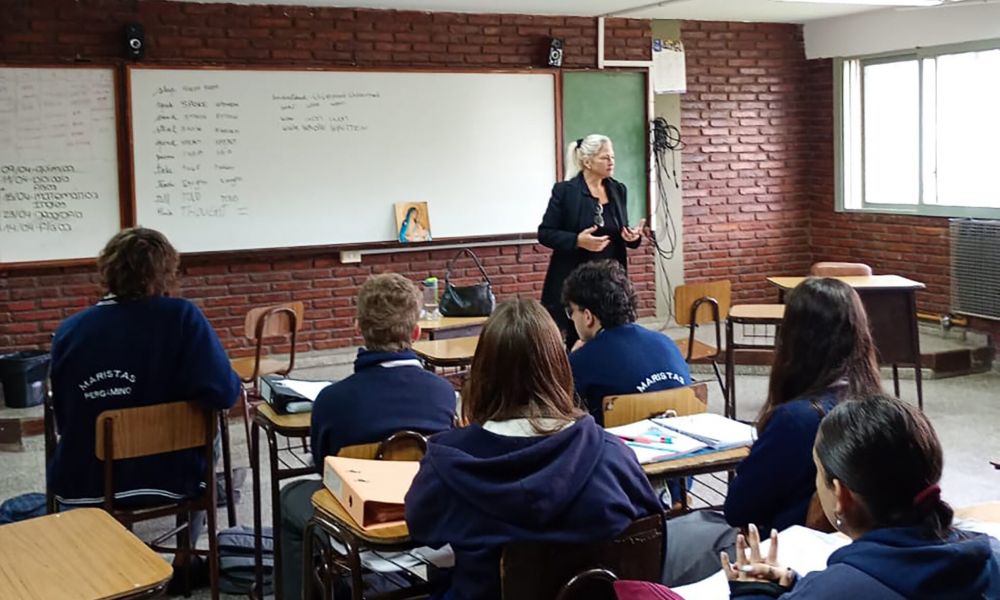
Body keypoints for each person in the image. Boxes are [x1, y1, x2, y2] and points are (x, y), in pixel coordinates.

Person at [405, 298, 662, 600]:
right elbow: (651, 530)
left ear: (483, 374)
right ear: (559, 368)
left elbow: (421, 527)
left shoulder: (448, 462)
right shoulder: (610, 456)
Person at [48, 227, 240, 592]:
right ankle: (185, 560)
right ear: (166, 272)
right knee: (205, 428)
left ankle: (115, 561)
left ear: (107, 271)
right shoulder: (182, 317)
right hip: (171, 478)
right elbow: (223, 393)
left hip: (85, 477)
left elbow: (65, 415)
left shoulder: (70, 330)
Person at [279, 272, 457, 600]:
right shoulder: (443, 393)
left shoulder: (333, 400)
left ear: (358, 327)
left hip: (355, 524)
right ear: (416, 332)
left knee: (290, 496)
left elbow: (325, 469)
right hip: (428, 517)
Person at [723, 393, 1000, 599]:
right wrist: (797, 586)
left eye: (818, 472)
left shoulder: (836, 589)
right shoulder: (988, 557)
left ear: (842, 496)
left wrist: (750, 593)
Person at [723, 277, 882, 536]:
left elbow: (738, 510)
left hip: (782, 554)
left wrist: (754, 461)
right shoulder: (878, 408)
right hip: (849, 547)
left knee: (681, 535)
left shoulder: (796, 420)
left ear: (794, 339)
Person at [538, 134, 646, 350]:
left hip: (610, 281)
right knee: (575, 341)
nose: (611, 162)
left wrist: (633, 238)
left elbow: (620, 230)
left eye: (612, 157)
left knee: (613, 338)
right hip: (574, 280)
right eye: (605, 157)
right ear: (587, 162)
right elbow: (545, 233)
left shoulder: (618, 189)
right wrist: (577, 240)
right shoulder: (566, 191)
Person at [561, 259, 690, 424]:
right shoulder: (666, 342)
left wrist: (571, 362)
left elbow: (563, 413)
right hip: (685, 440)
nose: (571, 318)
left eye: (571, 311)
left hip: (623, 447)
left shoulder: (582, 359)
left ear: (587, 316)